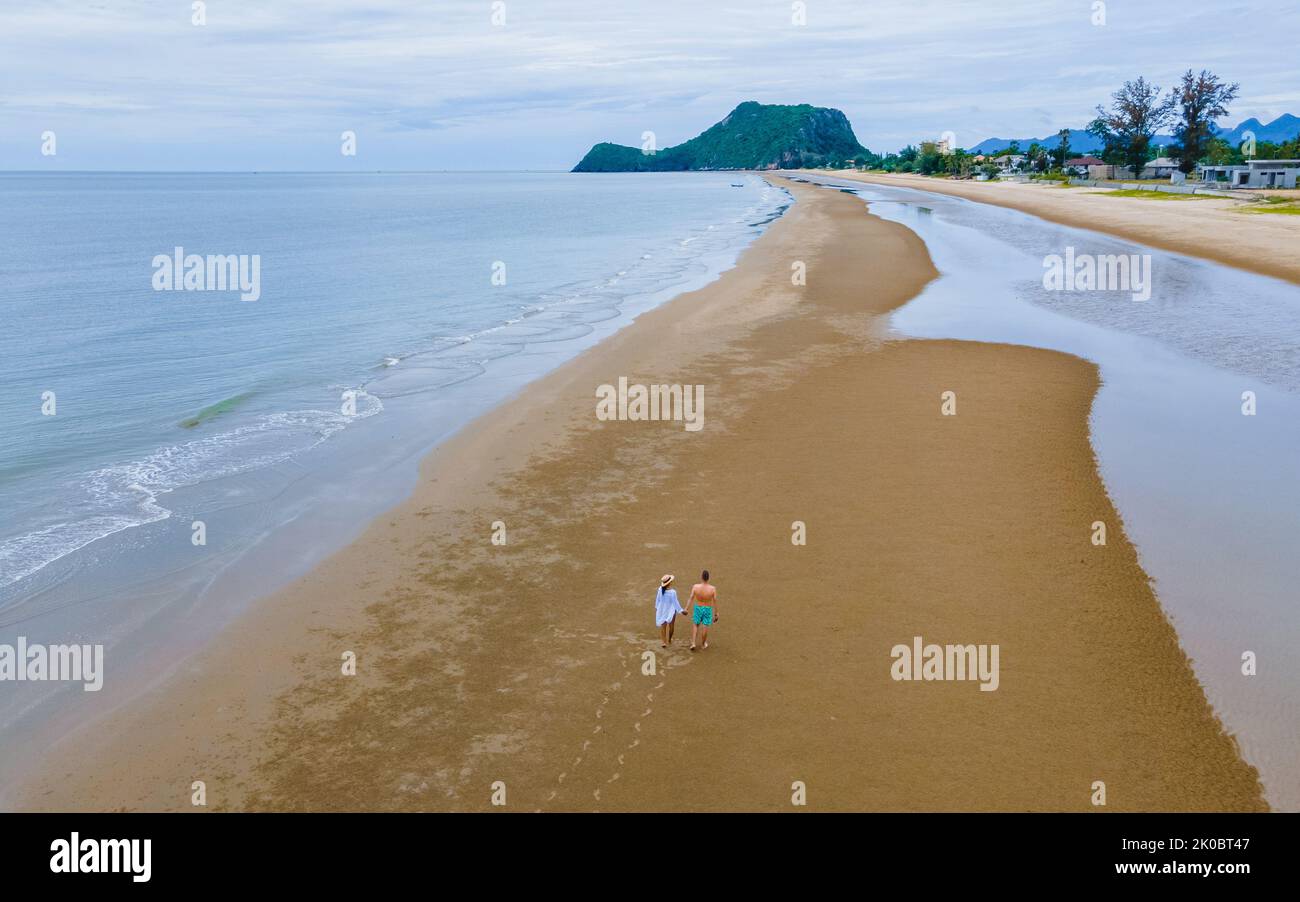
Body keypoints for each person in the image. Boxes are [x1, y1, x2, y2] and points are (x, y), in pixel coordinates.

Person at [687, 569, 718, 652]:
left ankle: (693, 643)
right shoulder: (712, 589)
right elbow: (715, 600)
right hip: (707, 608)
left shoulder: (695, 587)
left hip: (698, 607)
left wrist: (686, 608)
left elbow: (691, 598)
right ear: (708, 578)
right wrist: (716, 613)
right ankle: (703, 644)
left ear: (701, 577)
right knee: (705, 626)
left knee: (695, 625)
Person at [654, 574, 684, 648]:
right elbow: (675, 603)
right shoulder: (673, 592)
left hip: (662, 609)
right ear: (669, 583)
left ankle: (664, 642)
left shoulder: (660, 589)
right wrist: (681, 611)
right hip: (671, 610)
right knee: (671, 626)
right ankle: (669, 639)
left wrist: (657, 608)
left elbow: (657, 600)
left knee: (663, 626)